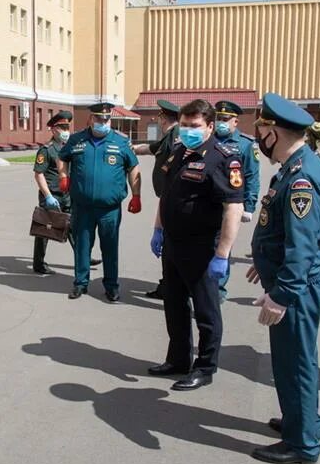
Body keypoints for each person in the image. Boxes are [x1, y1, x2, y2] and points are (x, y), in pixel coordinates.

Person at [246, 92, 320, 464]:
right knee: (292, 359)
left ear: (273, 133)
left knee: (295, 362)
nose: (258, 137)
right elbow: (282, 233)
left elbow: (302, 246)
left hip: (295, 287)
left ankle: (303, 444)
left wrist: (280, 295)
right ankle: (300, 422)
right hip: (289, 278)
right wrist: (263, 260)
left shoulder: (302, 178)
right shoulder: (294, 166)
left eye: (261, 129)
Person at [146, 99, 244, 391]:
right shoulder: (179, 152)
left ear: (210, 126)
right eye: (184, 125)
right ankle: (178, 359)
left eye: (194, 126)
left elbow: (233, 208)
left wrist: (222, 254)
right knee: (173, 305)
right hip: (174, 243)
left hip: (203, 247)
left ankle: (205, 367)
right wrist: (158, 229)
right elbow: (167, 195)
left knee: (206, 311)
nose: (187, 130)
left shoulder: (223, 158)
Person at [58, 102, 141, 302]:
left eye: (106, 119)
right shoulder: (77, 140)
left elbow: (133, 168)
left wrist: (136, 195)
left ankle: (111, 286)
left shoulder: (121, 142)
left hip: (109, 209)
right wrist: (63, 176)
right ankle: (80, 283)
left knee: (110, 247)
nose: (103, 122)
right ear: (90, 119)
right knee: (82, 246)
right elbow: (62, 158)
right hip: (83, 206)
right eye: (99, 119)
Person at [212, 100, 260, 301]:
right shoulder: (208, 139)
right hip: (207, 203)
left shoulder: (245, 145)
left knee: (223, 246)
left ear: (235, 122)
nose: (220, 123)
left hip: (231, 205)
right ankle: (202, 287)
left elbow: (252, 176)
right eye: (218, 119)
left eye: (225, 119)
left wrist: (249, 206)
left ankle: (218, 290)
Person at [132, 100, 179, 300]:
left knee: (173, 250)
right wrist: (132, 148)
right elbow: (152, 149)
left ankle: (173, 288)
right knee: (169, 249)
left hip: (173, 202)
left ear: (162, 118)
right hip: (167, 199)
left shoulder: (175, 137)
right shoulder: (168, 137)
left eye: (159, 117)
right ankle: (167, 285)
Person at [33, 110, 74, 275]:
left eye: (67, 127)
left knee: (73, 226)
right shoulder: (46, 150)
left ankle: (82, 257)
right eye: (62, 127)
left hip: (66, 195)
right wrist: (48, 195)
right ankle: (39, 263)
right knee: (45, 229)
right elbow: (38, 174)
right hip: (51, 195)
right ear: (53, 129)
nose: (65, 131)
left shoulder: (67, 148)